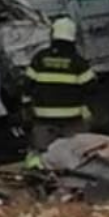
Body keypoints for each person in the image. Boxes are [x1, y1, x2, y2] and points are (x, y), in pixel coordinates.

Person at [23, 17, 97, 169]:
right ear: (72, 37)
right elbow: (91, 88)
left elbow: (26, 85)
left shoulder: (40, 58)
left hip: (43, 118)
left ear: (53, 35)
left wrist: (28, 106)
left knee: (40, 152)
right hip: (71, 119)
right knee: (76, 151)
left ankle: (36, 173)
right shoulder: (78, 62)